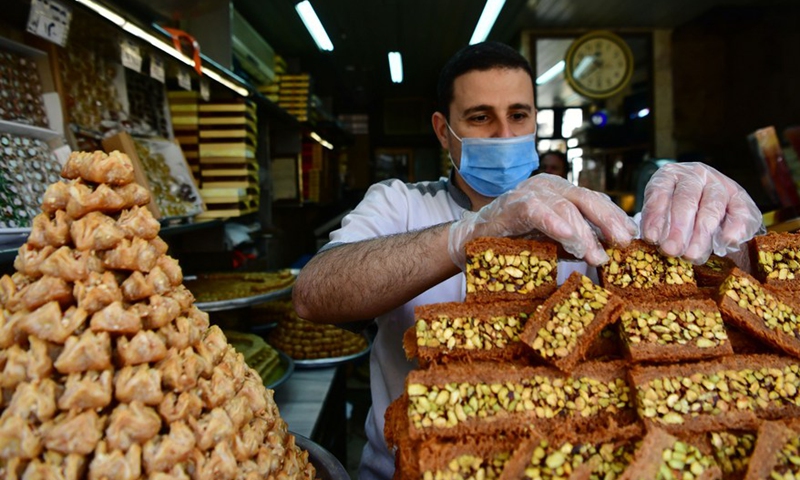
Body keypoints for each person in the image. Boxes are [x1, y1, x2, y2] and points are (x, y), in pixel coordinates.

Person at [292, 41, 763, 480]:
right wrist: (468, 234)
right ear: (443, 130)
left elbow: (694, 275)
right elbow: (315, 292)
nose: (504, 133)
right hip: (407, 467)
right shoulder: (400, 204)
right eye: (480, 118)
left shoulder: (588, 213)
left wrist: (729, 231)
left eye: (518, 114)